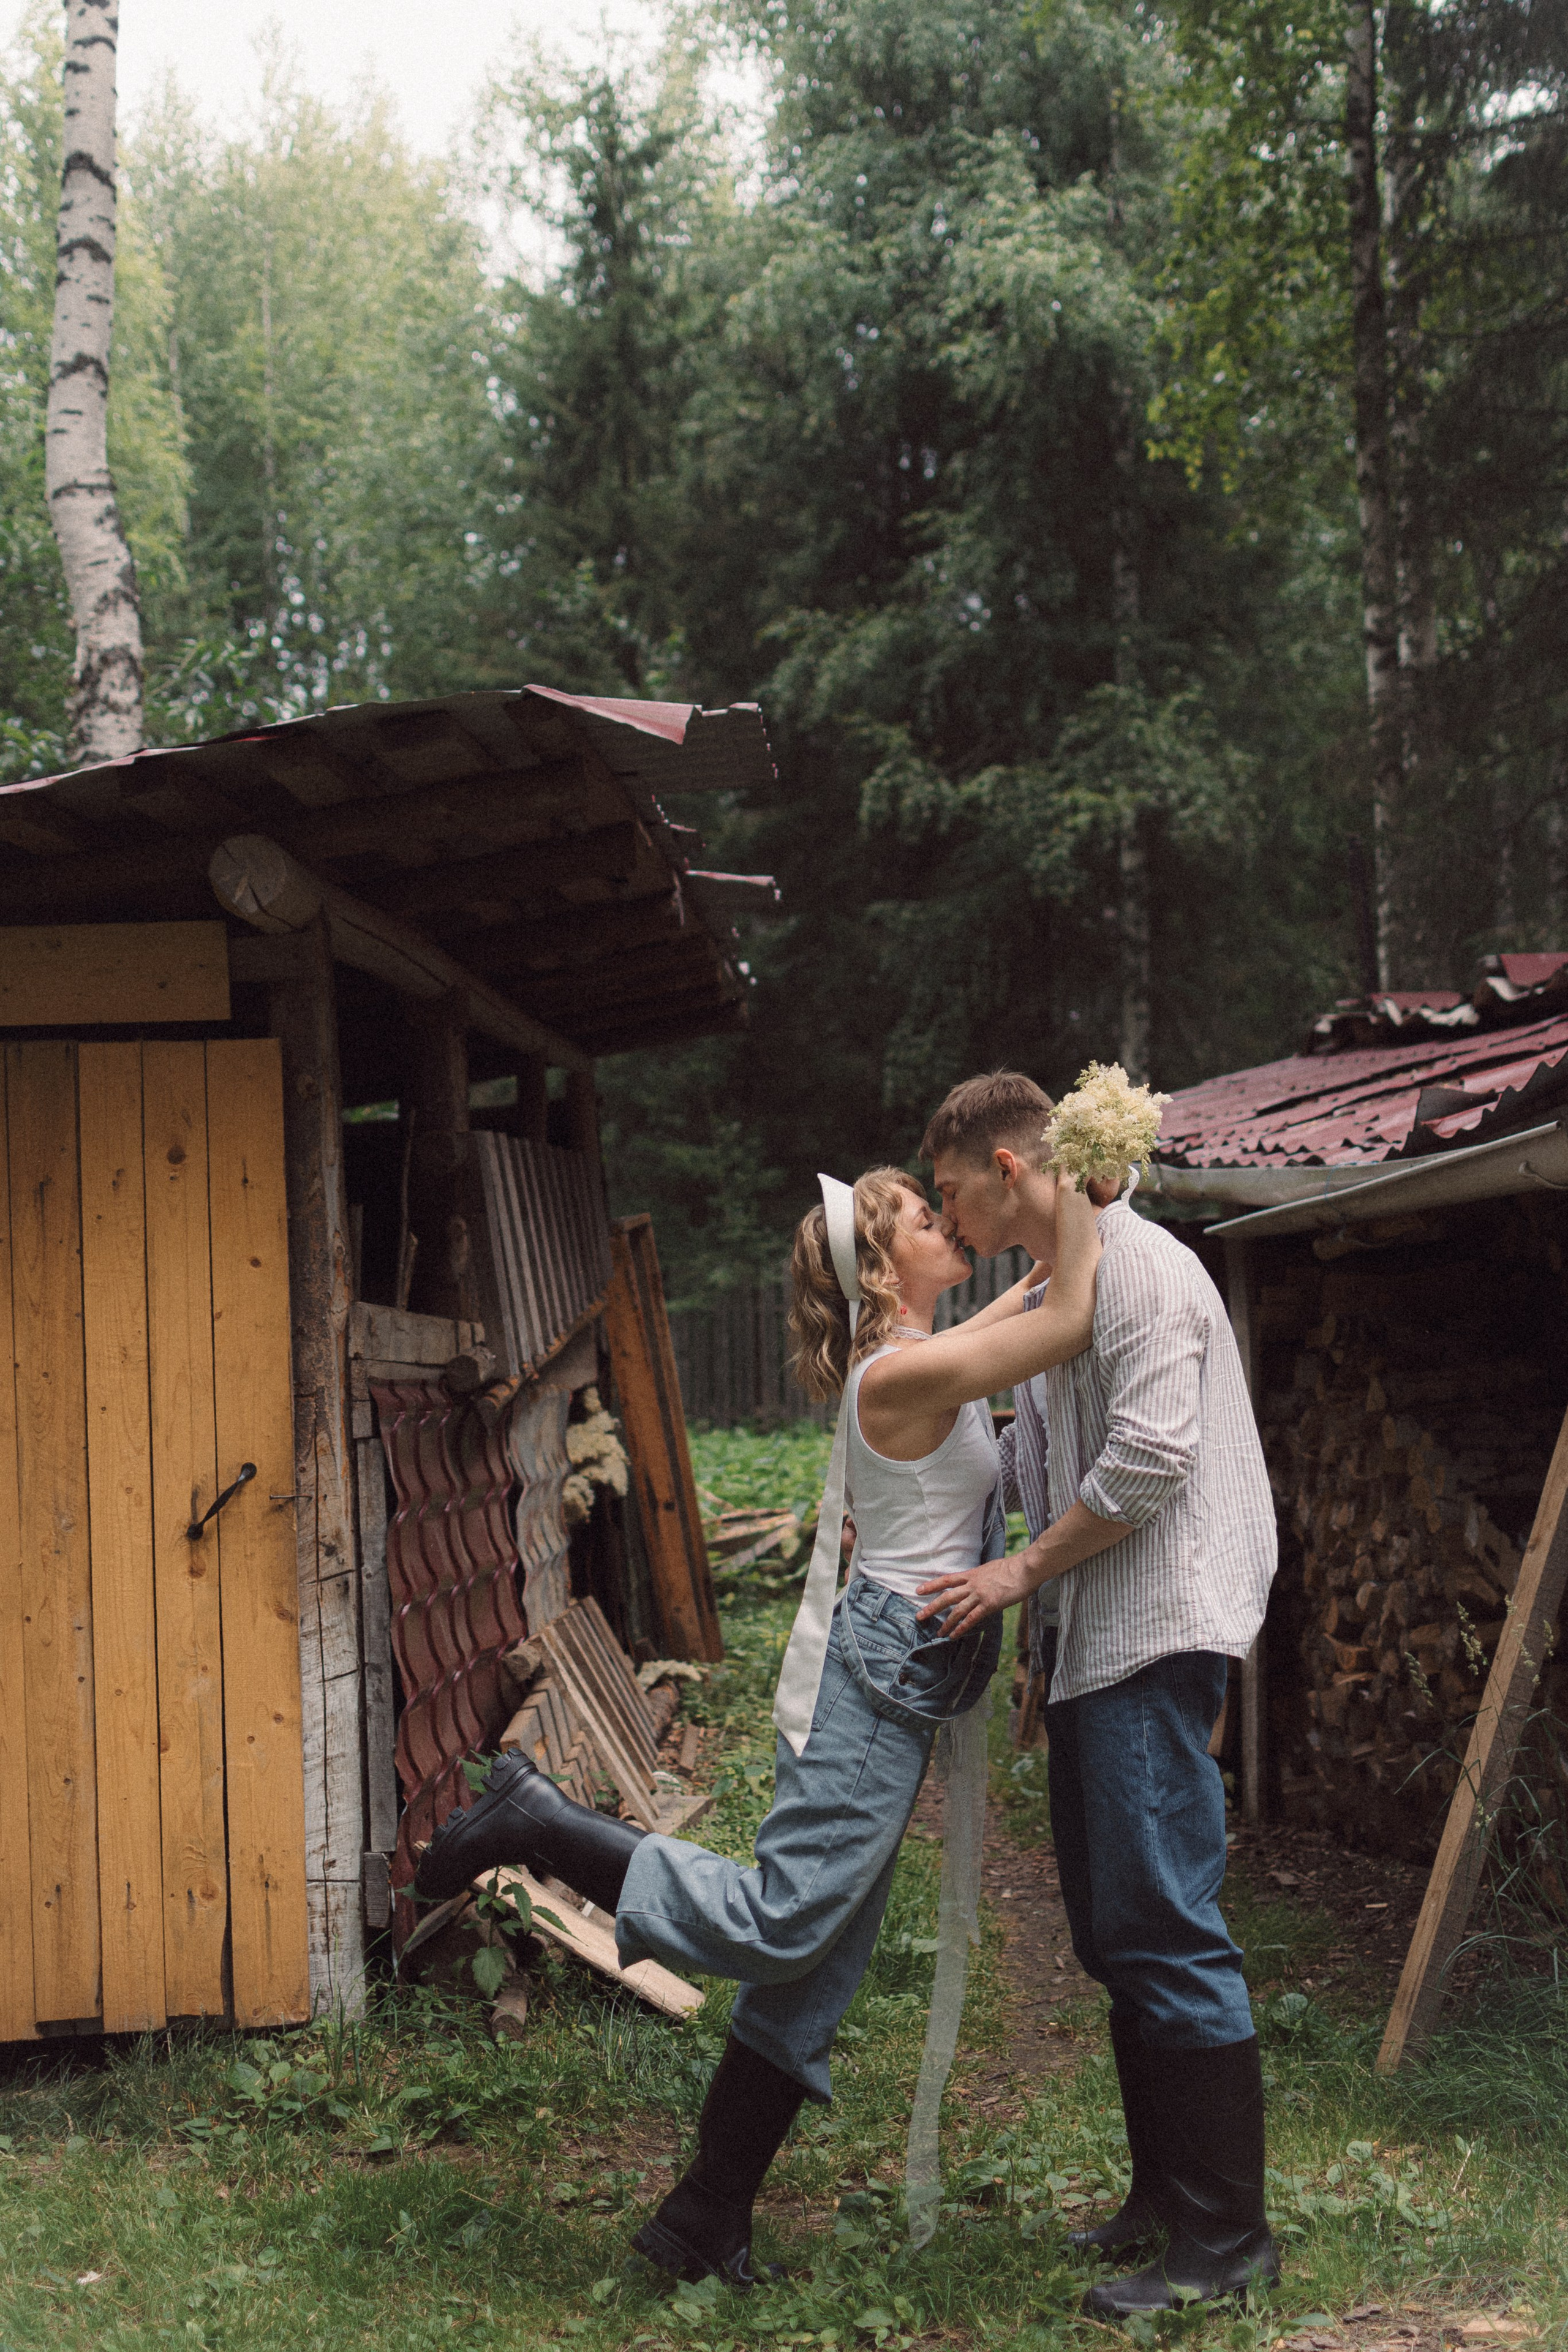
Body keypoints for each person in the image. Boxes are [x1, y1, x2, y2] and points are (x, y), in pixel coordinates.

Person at [413, 1164, 1102, 2289]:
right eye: (923, 1216)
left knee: (816, 1969)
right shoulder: (905, 1373)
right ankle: (536, 1821)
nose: (946, 1219)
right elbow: (1063, 1315)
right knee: (787, 1923)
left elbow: (1028, 1304)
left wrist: (1079, 1199)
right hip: (875, 1681)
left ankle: (702, 2220)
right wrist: (1080, 1184)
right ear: (880, 1269)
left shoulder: (922, 1350)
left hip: (892, 1676)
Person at [915, 1071, 1279, 2318]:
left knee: (1163, 1926)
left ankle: (1227, 2244)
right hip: (1089, 1641)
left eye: (950, 1191)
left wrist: (1018, 1572)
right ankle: (1164, 2201)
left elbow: (1150, 1458)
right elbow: (1035, 1458)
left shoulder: (1139, 1274)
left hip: (1152, 1631)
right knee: (1115, 1933)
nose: (946, 1218)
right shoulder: (1058, 1289)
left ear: (1008, 1169)